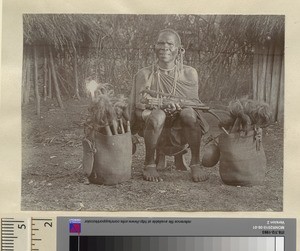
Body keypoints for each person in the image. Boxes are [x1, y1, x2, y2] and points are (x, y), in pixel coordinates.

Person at [129, 29, 209, 182]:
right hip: (153, 119)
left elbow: (193, 103)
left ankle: (195, 163)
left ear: (179, 50)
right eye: (160, 43)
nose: (165, 47)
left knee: (189, 114)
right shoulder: (145, 74)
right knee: (158, 116)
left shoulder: (189, 73)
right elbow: (139, 107)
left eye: (170, 44)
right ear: (154, 47)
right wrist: (160, 107)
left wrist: (176, 106)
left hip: (182, 117)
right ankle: (149, 163)